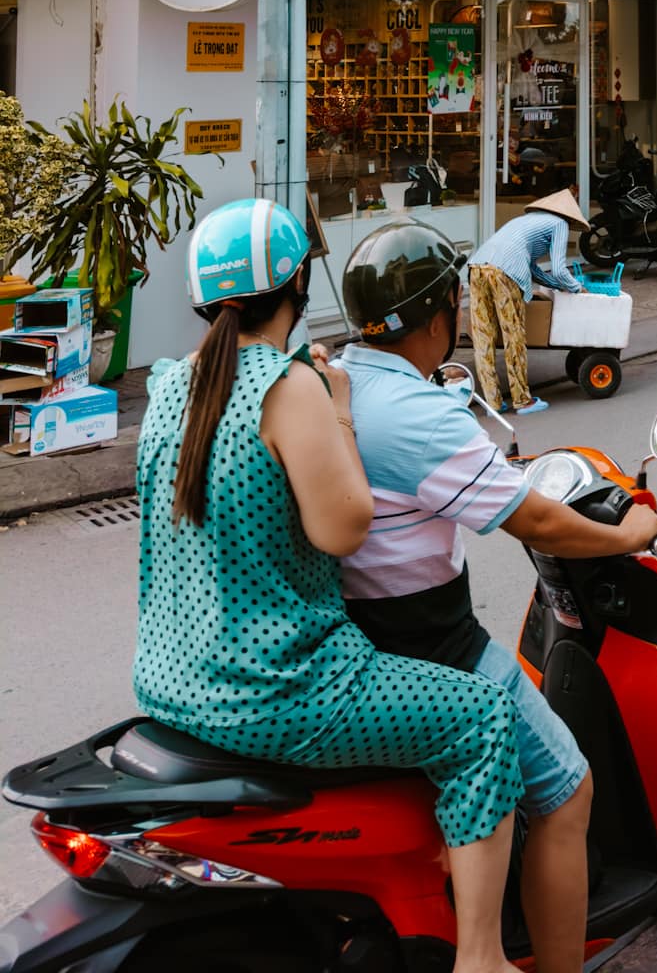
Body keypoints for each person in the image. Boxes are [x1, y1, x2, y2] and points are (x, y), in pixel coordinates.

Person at [133, 200, 530, 973]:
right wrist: (341, 413)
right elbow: (345, 528)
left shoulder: (168, 387)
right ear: (297, 288)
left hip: (172, 684)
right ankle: (482, 959)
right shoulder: (290, 389)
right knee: (483, 718)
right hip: (283, 689)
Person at [335, 220, 657, 973]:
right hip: (428, 646)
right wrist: (626, 536)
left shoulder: (335, 381)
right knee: (567, 789)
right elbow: (535, 518)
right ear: (435, 315)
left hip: (347, 636)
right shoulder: (420, 416)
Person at [468, 190, 589, 416]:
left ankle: (493, 403)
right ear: (570, 216)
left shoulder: (525, 221)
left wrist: (555, 284)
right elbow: (560, 268)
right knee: (513, 335)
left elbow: (533, 269)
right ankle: (522, 400)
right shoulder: (559, 224)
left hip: (477, 266)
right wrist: (576, 288)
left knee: (483, 337)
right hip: (506, 273)